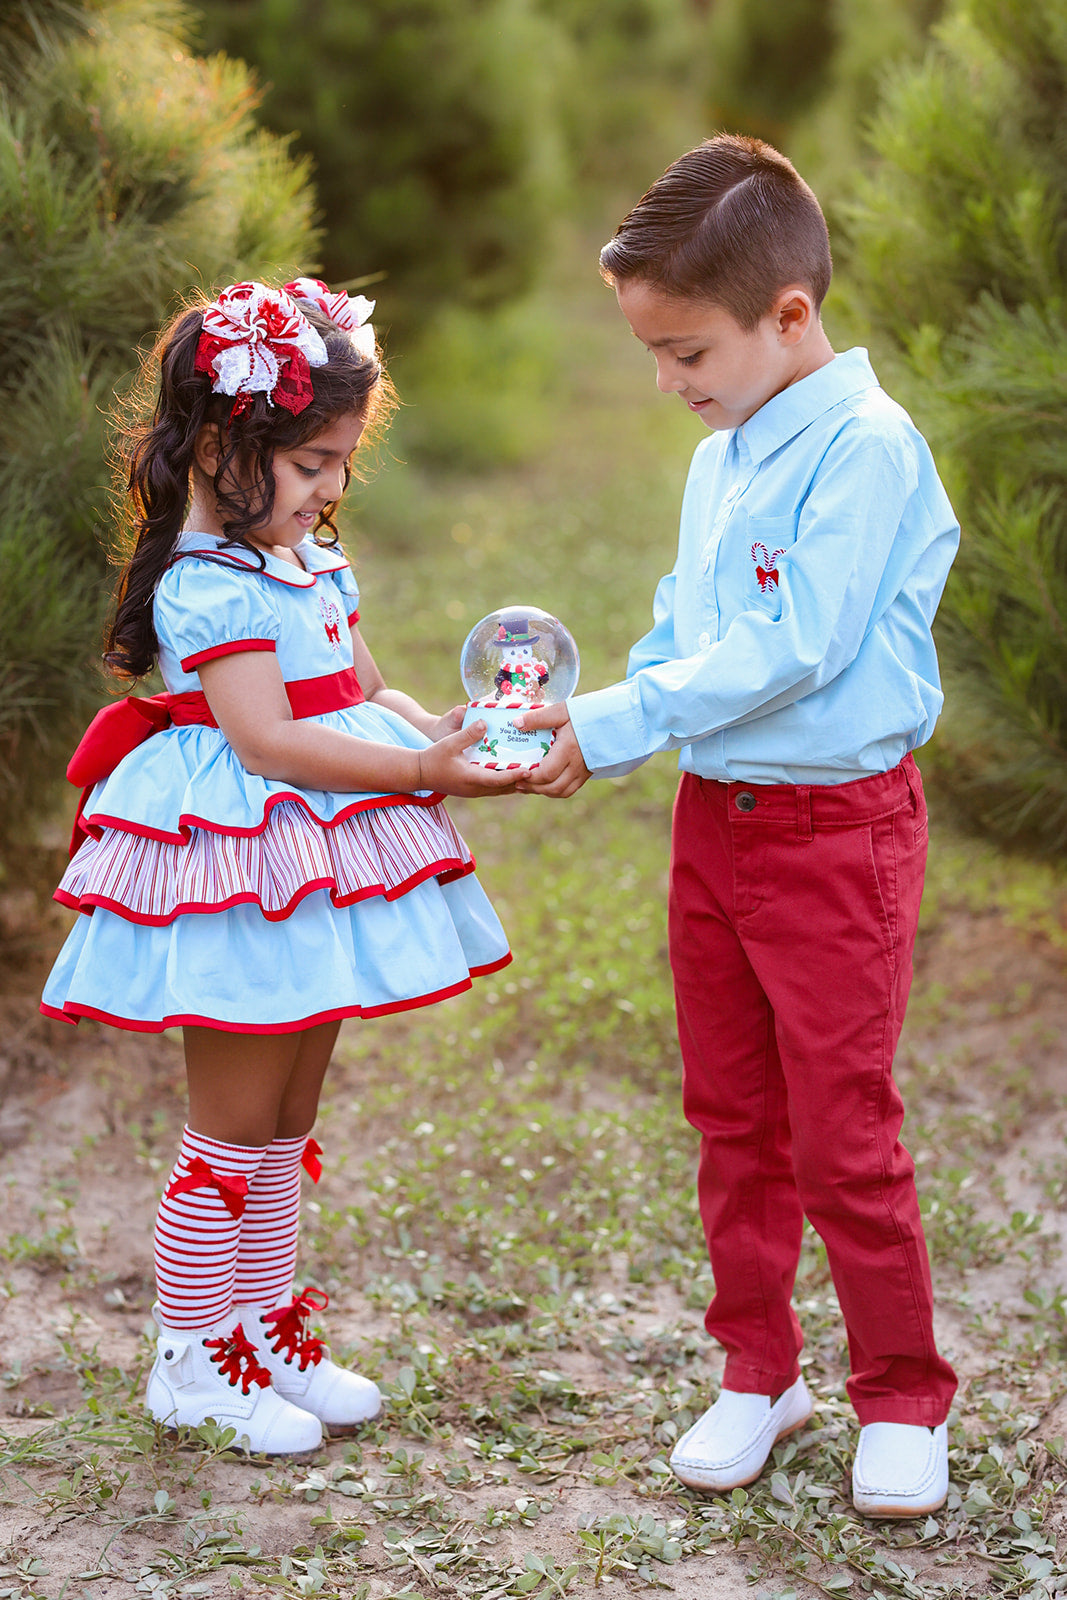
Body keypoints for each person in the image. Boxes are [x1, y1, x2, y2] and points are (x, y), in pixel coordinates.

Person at [518, 135, 960, 1518]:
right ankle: (754, 1372)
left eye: (684, 350)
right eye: (651, 353)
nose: (667, 383)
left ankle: (897, 1393)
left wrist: (614, 721)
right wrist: (585, 716)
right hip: (716, 827)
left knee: (841, 1126)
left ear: (787, 314)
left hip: (838, 836)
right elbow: (688, 621)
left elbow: (796, 647)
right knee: (730, 1113)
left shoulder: (867, 448)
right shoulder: (724, 449)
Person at [41, 277, 515, 1457]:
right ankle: (191, 1355)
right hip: (240, 862)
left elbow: (357, 691)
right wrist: (418, 778)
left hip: (318, 845)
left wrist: (446, 730)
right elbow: (263, 737)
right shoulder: (206, 584)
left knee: (288, 1113)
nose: (331, 490)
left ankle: (264, 1326)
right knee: (231, 1123)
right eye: (310, 464)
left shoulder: (307, 562)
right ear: (218, 444)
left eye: (342, 464)